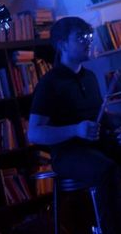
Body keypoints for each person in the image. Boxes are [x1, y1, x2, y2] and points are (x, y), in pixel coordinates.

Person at [28, 16, 121, 233]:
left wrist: (115, 121)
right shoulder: (49, 83)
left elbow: (99, 116)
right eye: (80, 37)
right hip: (68, 153)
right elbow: (34, 133)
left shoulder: (89, 76)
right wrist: (75, 130)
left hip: (96, 145)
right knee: (107, 170)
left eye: (88, 36)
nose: (88, 41)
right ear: (62, 45)